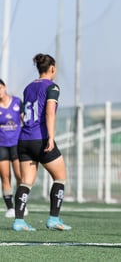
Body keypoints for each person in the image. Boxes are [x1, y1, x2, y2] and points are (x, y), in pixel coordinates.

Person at [12, 53, 71, 231]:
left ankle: (19, 221)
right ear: (52, 68)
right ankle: (54, 218)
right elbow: (49, 112)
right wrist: (51, 138)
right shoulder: (52, 87)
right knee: (60, 178)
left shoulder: (28, 87)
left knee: (26, 182)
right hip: (41, 138)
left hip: (24, 139)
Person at [0, 78, 27, 218]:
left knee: (19, 175)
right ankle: (10, 207)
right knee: (5, 176)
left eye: (0, 88)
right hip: (1, 145)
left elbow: (25, 121)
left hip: (17, 144)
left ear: (4, 87)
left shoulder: (17, 102)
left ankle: (21, 205)